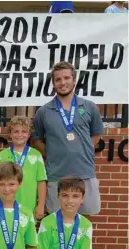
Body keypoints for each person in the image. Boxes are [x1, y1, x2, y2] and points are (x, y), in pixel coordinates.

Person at [32, 61, 104, 216]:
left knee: (85, 218)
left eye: (66, 78)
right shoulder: (43, 112)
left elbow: (96, 134)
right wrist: (52, 153)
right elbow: (36, 140)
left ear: (74, 80)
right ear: (53, 83)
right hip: (56, 174)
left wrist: (81, 149)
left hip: (84, 172)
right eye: (58, 79)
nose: (62, 82)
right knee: (56, 220)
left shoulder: (90, 107)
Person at [0, 116, 47, 220]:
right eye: (16, 131)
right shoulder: (2, 155)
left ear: (29, 134)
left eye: (24, 131)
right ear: (10, 134)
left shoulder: (36, 155)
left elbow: (41, 181)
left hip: (29, 206)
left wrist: (41, 205)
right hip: (5, 206)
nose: (20, 135)